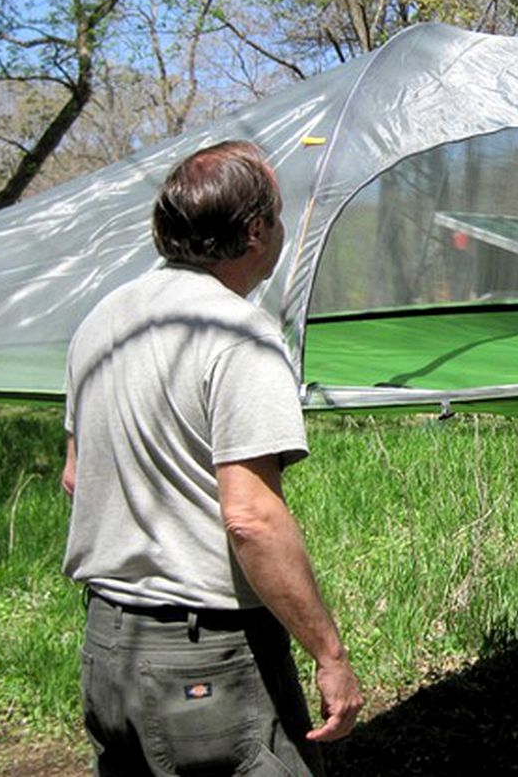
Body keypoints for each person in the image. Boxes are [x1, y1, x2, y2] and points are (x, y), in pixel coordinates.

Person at [61, 140, 363, 775]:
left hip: (107, 649)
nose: (282, 232)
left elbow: (74, 476)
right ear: (255, 231)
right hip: (207, 658)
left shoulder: (102, 320)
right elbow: (251, 518)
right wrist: (330, 654)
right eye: (278, 218)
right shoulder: (238, 333)